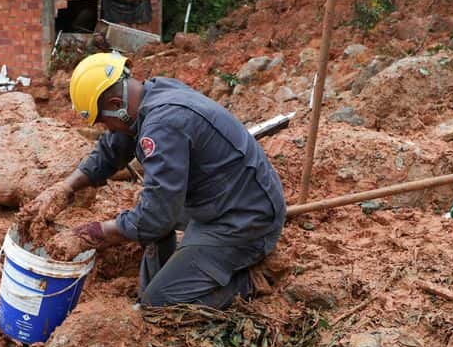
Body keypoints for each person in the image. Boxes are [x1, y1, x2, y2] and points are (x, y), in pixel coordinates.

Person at [19, 52, 285, 308]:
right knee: (151, 211)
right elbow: (114, 147)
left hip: (245, 218)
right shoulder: (150, 95)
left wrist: (91, 234)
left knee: (158, 303)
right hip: (220, 196)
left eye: (102, 122)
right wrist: (65, 187)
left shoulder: (164, 125)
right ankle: (172, 272)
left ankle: (249, 281)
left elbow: (155, 218)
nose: (106, 129)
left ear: (115, 106)